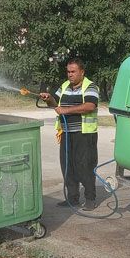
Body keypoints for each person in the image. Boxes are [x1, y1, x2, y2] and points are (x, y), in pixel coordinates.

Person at [39, 58, 99, 211]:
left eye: (73, 72)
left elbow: (90, 106)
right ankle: (72, 198)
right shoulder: (64, 86)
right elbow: (55, 103)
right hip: (66, 133)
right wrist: (49, 98)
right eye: (68, 72)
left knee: (84, 166)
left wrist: (66, 110)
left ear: (82, 72)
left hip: (84, 134)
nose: (70, 75)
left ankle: (90, 198)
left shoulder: (90, 86)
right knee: (67, 166)